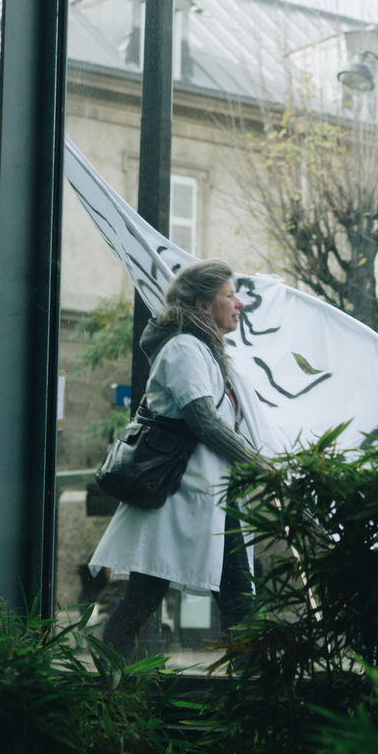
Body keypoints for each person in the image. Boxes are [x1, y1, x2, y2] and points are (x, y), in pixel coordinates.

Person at [89, 261, 274, 662]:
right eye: (229, 296)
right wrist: (255, 462)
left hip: (211, 496)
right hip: (179, 496)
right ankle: (110, 677)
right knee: (147, 595)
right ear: (203, 306)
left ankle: (254, 681)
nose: (239, 304)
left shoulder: (206, 352)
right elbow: (203, 420)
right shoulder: (184, 349)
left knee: (235, 592)